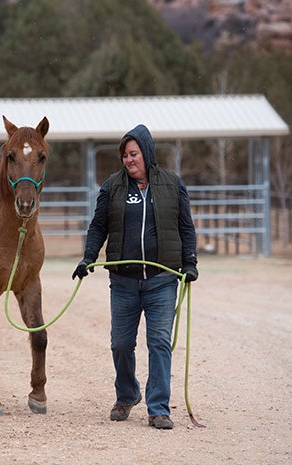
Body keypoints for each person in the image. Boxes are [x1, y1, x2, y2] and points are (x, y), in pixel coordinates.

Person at [72, 124, 198, 430]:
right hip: (124, 282)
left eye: (133, 153)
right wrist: (89, 257)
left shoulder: (172, 184)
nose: (128, 160)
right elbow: (98, 226)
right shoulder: (112, 187)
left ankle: (159, 409)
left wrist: (189, 262)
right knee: (121, 343)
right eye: (124, 155)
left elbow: (186, 227)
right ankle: (127, 395)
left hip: (161, 282)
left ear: (146, 152)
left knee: (158, 343)